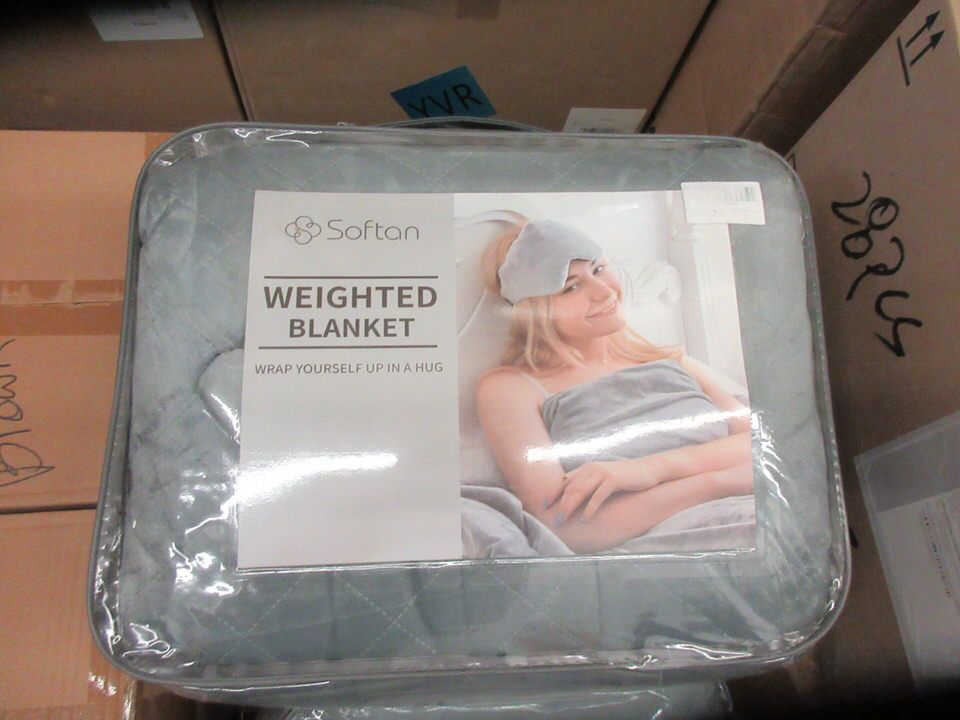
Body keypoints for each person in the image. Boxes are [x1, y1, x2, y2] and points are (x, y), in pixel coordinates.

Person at [475, 219, 754, 553]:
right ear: (535, 310)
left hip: (757, 507)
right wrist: (722, 480)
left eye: (599, 269)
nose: (605, 291)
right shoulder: (511, 388)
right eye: (571, 287)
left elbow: (761, 444)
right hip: (693, 537)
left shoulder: (671, 361)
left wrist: (648, 469)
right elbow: (567, 527)